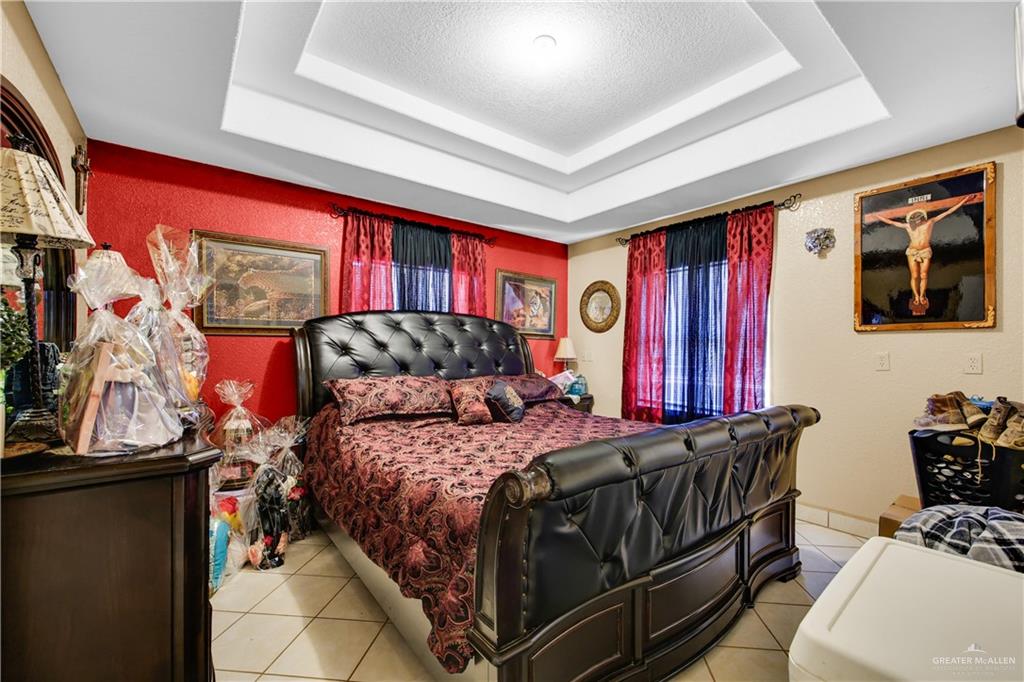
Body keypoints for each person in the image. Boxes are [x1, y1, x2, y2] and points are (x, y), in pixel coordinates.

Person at [877, 195, 970, 309]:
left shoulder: (929, 222)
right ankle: (916, 296)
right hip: (912, 251)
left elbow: (948, 212)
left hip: (925, 251)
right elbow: (892, 223)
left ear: (921, 217)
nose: (916, 220)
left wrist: (963, 201)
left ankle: (922, 296)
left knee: (924, 275)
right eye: (914, 219)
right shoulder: (908, 226)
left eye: (917, 218)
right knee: (915, 276)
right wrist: (878, 216)